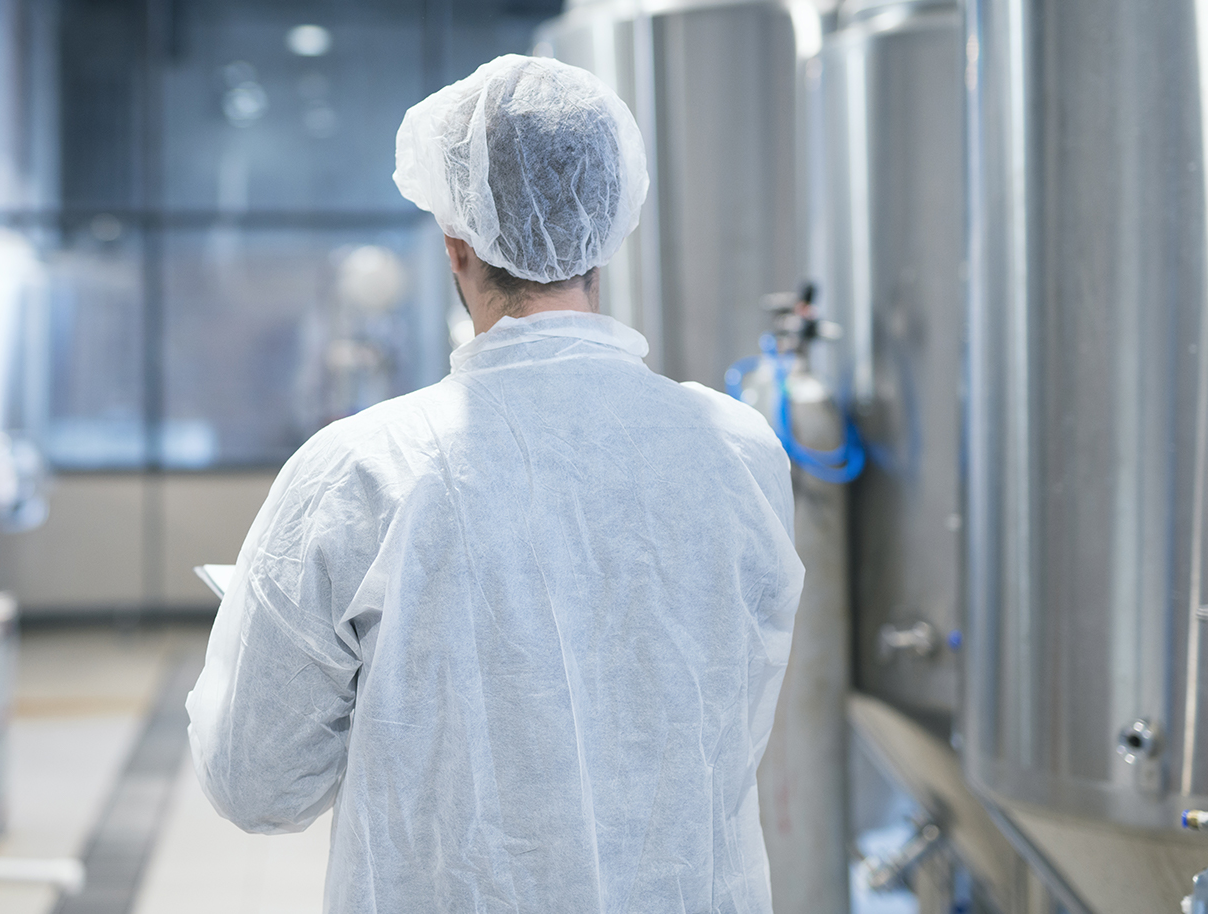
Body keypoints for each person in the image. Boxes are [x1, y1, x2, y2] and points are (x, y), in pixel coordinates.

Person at [186, 53, 804, 913]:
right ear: (609, 225)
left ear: (457, 245)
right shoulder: (738, 451)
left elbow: (258, 783)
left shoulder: (363, 470)